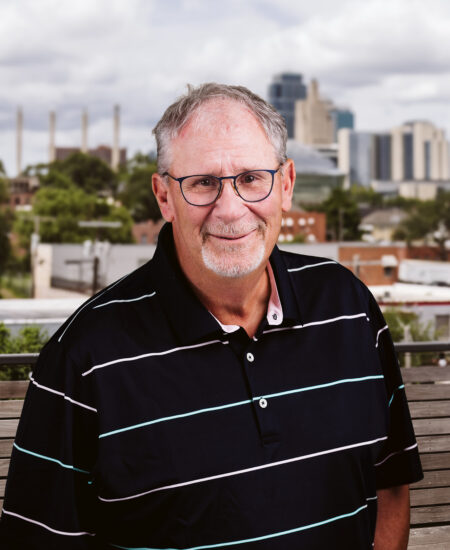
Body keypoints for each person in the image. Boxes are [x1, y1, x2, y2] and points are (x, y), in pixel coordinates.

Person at [0, 83, 423, 549]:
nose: (230, 209)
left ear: (285, 185)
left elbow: (391, 483)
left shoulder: (351, 309)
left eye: (250, 178)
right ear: (164, 197)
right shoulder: (82, 359)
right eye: (202, 183)